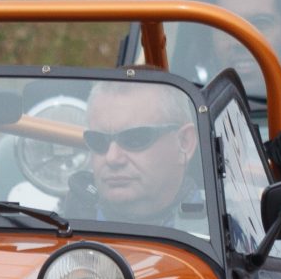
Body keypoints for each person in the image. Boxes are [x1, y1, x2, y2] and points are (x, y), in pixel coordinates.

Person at [82, 81, 201, 225]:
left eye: (135, 139)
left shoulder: (219, 231)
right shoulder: (64, 223)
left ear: (184, 143)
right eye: (98, 140)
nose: (112, 158)